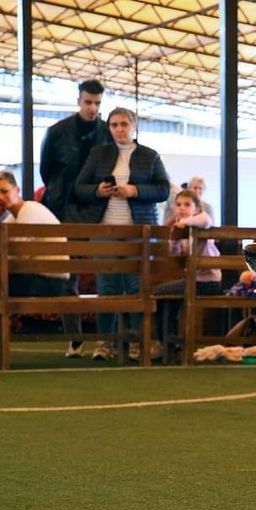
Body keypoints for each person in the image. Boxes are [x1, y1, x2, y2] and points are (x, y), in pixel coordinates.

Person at [72, 107, 171, 361]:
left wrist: (134, 190)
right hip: (104, 228)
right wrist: (98, 190)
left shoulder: (150, 155)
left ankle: (138, 342)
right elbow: (79, 188)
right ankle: (106, 343)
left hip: (139, 230)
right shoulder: (98, 153)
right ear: (109, 128)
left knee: (137, 287)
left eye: (124, 124)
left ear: (134, 125)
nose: (119, 129)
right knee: (107, 287)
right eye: (114, 125)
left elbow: (162, 190)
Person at [39, 78, 112, 357]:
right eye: (88, 102)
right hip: (63, 210)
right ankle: (76, 337)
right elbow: (47, 172)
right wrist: (63, 197)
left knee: (105, 274)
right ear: (79, 101)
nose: (92, 108)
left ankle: (107, 341)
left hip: (99, 210)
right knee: (67, 277)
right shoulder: (56, 132)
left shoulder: (107, 132)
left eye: (97, 103)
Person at [0, 170, 82, 353]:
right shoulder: (14, 218)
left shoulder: (29, 212)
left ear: (17, 190)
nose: (1, 197)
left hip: (52, 283)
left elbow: (14, 256)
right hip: (49, 280)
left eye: (5, 191)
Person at [151, 189, 220, 359]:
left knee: (159, 293)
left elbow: (206, 219)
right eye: (179, 204)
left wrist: (185, 222)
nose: (182, 208)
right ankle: (168, 343)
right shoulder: (182, 228)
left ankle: (168, 344)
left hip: (207, 281)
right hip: (193, 280)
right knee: (163, 296)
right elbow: (175, 254)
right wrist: (173, 239)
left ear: (196, 208)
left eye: (187, 205)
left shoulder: (198, 222)